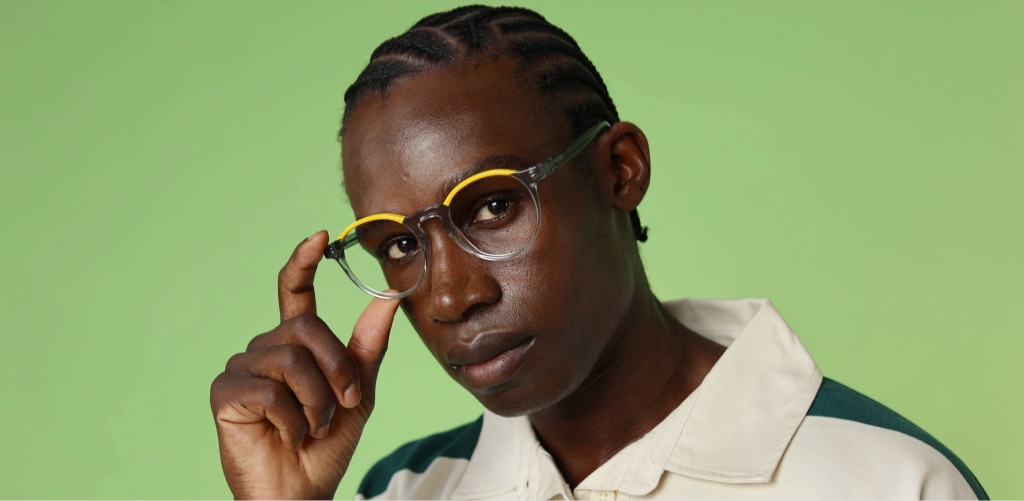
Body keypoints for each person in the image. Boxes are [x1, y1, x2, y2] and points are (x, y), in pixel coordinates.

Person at [210, 5, 987, 500]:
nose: (448, 296)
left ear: (620, 170)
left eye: (493, 204)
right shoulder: (408, 488)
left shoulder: (887, 481)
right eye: (401, 244)